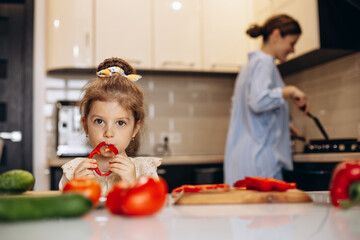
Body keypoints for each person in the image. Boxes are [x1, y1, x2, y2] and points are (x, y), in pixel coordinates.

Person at [224, 14, 309, 185]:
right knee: (267, 212)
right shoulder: (264, 63)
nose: (293, 50)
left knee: (243, 211)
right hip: (259, 161)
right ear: (276, 35)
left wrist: (282, 125)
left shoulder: (250, 65)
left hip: (243, 159)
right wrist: (290, 91)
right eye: (292, 43)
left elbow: (251, 111)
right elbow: (259, 101)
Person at [59, 57, 161, 195]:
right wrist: (75, 187)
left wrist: (132, 185)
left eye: (120, 123)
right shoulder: (73, 172)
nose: (108, 133)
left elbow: (150, 210)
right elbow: (66, 211)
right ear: (85, 126)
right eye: (99, 121)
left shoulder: (145, 172)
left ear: (135, 129)